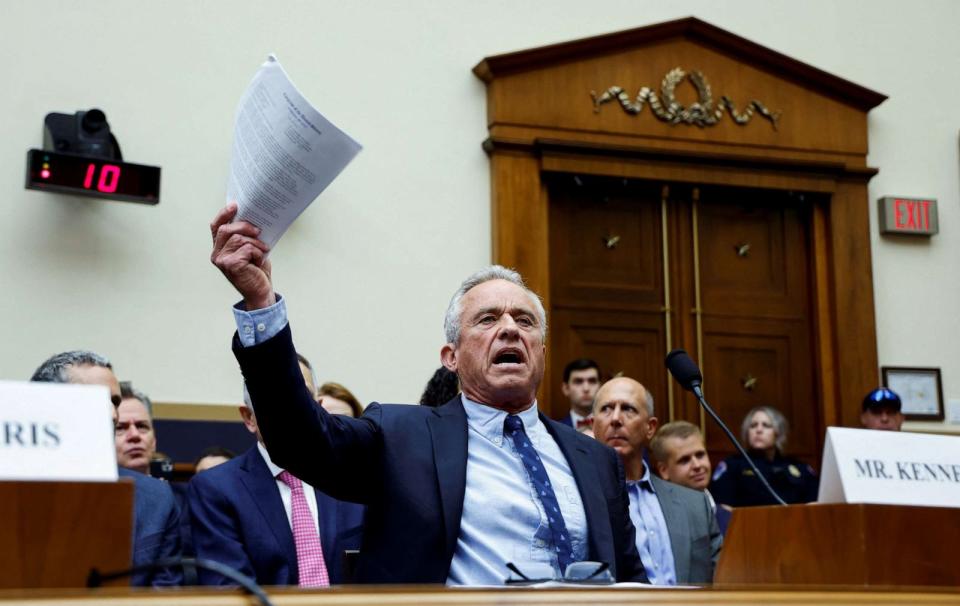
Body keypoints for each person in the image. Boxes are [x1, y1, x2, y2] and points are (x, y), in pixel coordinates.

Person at [209, 202, 646, 585]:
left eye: (525, 322)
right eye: (488, 319)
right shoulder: (402, 437)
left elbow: (631, 580)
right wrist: (261, 304)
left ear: (542, 353)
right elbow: (297, 441)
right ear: (450, 357)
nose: (510, 328)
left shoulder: (596, 460)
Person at [187, 386, 365, 587]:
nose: (289, 407)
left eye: (300, 396)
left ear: (318, 407)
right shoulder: (217, 488)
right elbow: (228, 588)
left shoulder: (354, 477)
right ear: (249, 417)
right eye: (273, 398)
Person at [31, 351, 182, 587]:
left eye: (115, 402)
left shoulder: (156, 500)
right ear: (48, 405)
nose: (113, 414)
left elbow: (165, 595)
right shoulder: (12, 489)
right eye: (97, 399)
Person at [592, 378, 721, 585]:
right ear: (593, 425)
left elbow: (721, 578)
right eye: (606, 409)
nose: (615, 418)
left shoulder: (696, 505)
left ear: (650, 427)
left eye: (628, 409)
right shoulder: (578, 501)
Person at [710, 406, 818, 507]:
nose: (758, 430)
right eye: (753, 426)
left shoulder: (799, 468)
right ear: (747, 433)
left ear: (778, 432)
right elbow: (721, 508)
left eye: (766, 425)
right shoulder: (732, 466)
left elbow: (814, 505)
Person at [650, 421, 731, 535]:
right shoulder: (657, 522)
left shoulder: (730, 517)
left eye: (700, 455)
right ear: (664, 470)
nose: (697, 465)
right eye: (684, 460)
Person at [116, 383, 158, 476]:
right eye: (120, 428)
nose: (135, 435)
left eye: (141, 426)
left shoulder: (170, 490)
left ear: (154, 440)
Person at [557, 359, 601, 432]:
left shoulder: (611, 427)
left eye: (592, 381)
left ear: (600, 387)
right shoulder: (556, 431)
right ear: (566, 389)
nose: (586, 388)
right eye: (578, 382)